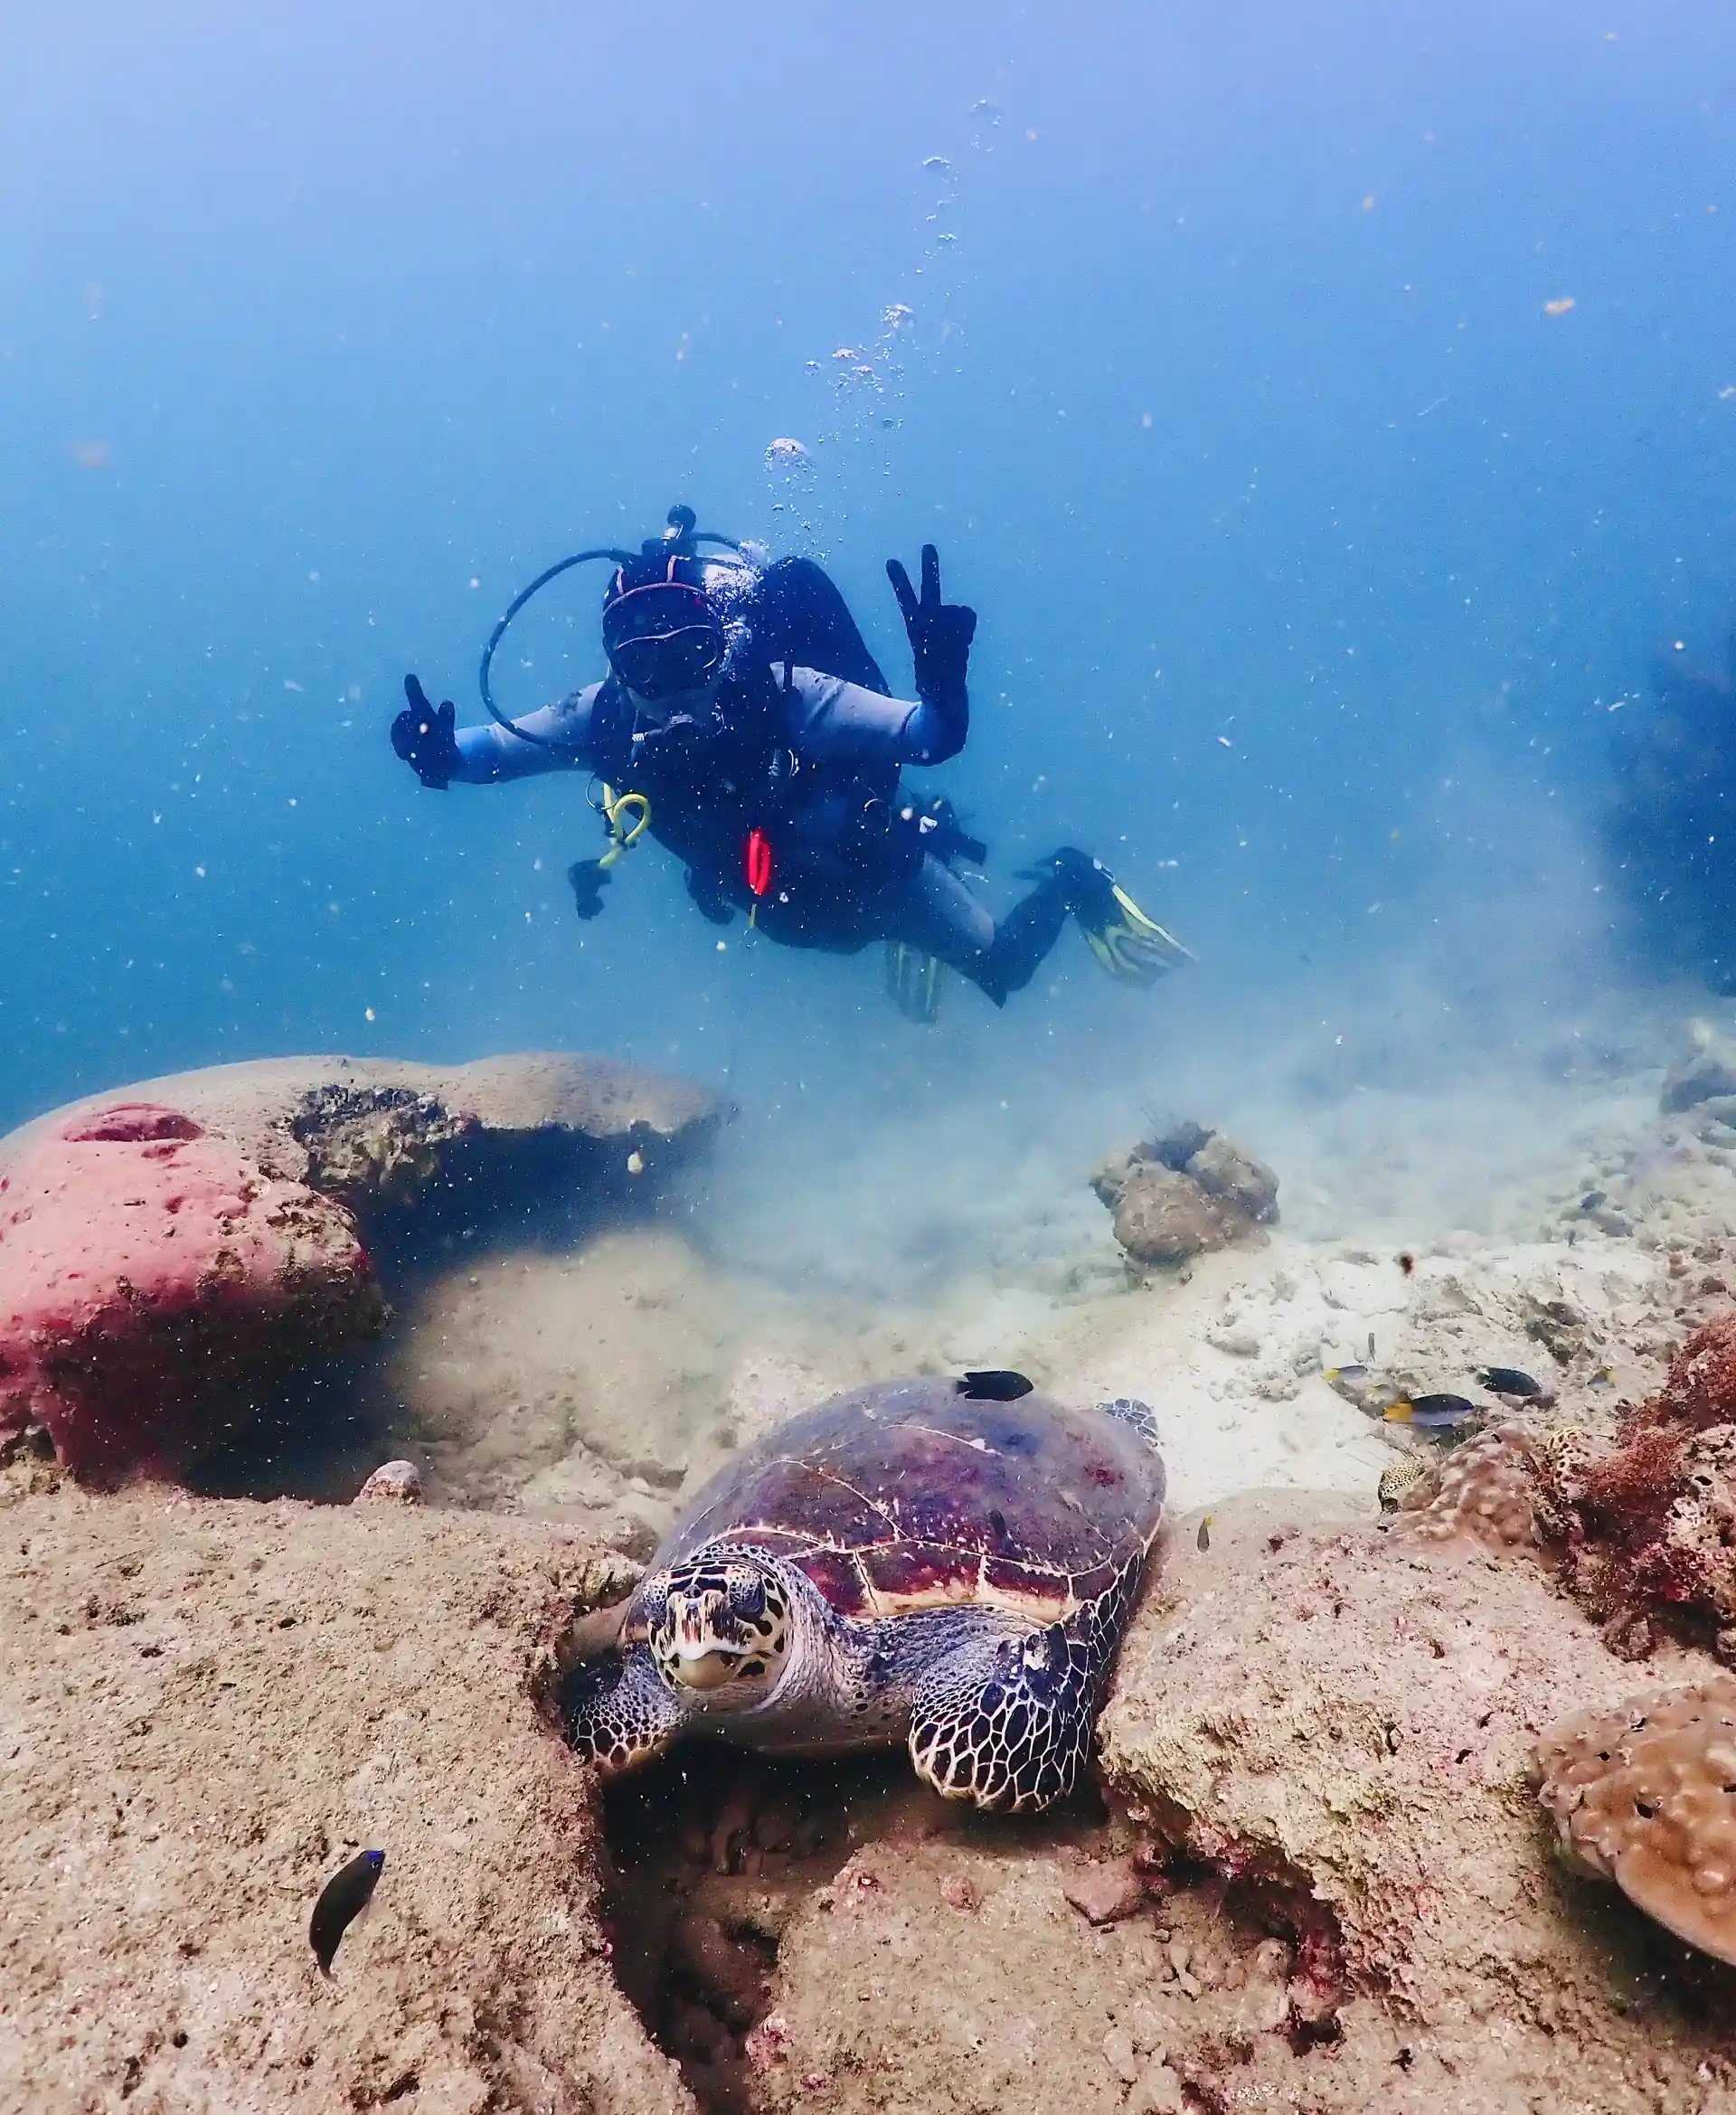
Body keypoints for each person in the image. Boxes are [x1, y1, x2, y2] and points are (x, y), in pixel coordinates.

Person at [392, 505, 1185, 1015]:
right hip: (786, 915)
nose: (670, 694)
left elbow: (927, 737)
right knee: (860, 938)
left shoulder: (783, 694)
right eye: (645, 668)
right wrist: (436, 756)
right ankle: (925, 903)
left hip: (879, 881)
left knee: (1004, 973)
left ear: (723, 642)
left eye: (692, 655)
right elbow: (486, 754)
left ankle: (1074, 878)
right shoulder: (598, 716)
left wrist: (947, 691)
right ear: (614, 664)